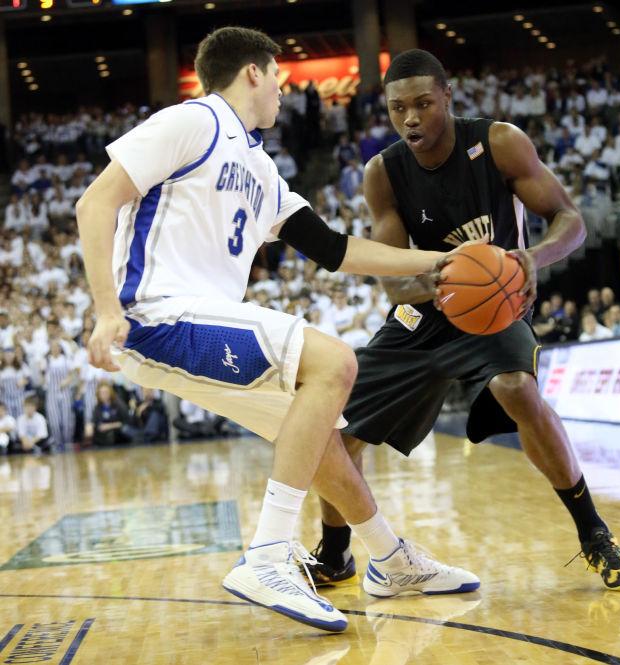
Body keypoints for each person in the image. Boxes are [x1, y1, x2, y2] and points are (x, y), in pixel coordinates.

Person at [76, 27, 477, 633]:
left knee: (324, 443)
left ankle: (391, 561)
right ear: (254, 73)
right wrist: (108, 309)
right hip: (158, 313)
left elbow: (336, 250)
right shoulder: (195, 122)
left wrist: (434, 262)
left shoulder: (261, 168)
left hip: (198, 320)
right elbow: (95, 203)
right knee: (336, 363)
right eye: (281, 80)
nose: (284, 95)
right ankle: (267, 555)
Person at [309, 49, 620, 593]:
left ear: (447, 95)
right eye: (398, 109)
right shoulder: (384, 172)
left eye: (422, 104)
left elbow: (571, 219)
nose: (411, 118)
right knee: (335, 424)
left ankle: (595, 535)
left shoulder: (500, 142)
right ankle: (335, 551)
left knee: (517, 388)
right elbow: (392, 278)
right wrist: (434, 282)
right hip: (427, 307)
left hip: (497, 302)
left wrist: (535, 257)